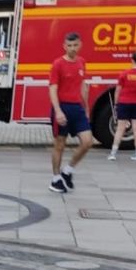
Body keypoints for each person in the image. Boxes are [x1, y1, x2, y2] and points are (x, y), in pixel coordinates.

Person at [48, 31, 93, 194]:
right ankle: (55, 179)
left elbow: (82, 86)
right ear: (64, 46)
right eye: (69, 46)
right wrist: (58, 111)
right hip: (63, 108)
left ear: (80, 45)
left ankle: (67, 171)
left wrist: (86, 107)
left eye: (75, 45)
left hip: (77, 109)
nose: (72, 49)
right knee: (60, 144)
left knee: (88, 142)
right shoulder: (58, 64)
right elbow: (53, 89)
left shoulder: (82, 62)